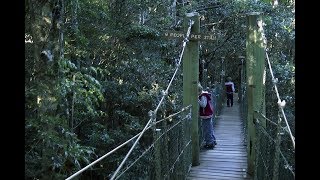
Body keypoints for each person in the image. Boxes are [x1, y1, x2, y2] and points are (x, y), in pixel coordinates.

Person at [198, 83, 217, 149]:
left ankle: (209, 143)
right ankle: (213, 140)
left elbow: (203, 105)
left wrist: (197, 100)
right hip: (208, 114)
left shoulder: (203, 96)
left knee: (207, 129)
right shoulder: (204, 95)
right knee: (209, 128)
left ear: (199, 91)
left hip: (206, 115)